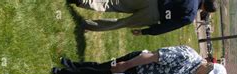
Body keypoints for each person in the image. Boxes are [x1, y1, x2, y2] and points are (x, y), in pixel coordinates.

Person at [52, 45, 227, 74]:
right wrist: (125, 65)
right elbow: (151, 56)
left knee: (100, 70)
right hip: (135, 65)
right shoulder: (188, 57)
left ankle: (71, 68)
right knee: (100, 73)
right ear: (209, 65)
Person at [68, 0, 217, 36]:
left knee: (114, 3)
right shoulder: (190, 16)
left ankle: (82, 1)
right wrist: (146, 32)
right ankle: (87, 25)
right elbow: (167, 27)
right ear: (206, 10)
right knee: (121, 23)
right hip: (154, 15)